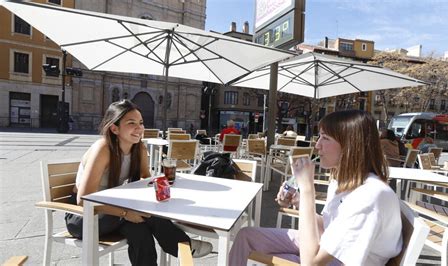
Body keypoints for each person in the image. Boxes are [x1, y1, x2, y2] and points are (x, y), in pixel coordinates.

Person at [229, 110, 402, 265]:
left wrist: (307, 190)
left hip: (337, 260)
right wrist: (300, 201)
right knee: (246, 237)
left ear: (351, 146)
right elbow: (328, 227)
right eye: (319, 136)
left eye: (325, 138)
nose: (317, 145)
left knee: (261, 257)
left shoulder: (369, 196)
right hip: (327, 249)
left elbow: (311, 263)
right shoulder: (343, 181)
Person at [65, 100, 212, 265]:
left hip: (112, 210)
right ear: (114, 128)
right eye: (131, 123)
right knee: (146, 217)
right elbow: (83, 199)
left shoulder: (138, 148)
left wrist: (157, 184)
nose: (139, 128)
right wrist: (126, 213)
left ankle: (180, 245)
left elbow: (144, 178)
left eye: (141, 123)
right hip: (83, 216)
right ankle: (182, 245)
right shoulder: (103, 149)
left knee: (140, 231)